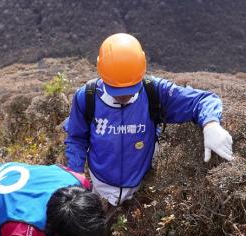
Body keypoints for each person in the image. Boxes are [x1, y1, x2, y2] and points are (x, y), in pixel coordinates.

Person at [64, 33, 234, 215]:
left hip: (143, 188)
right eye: (116, 90)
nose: (123, 96)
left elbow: (202, 100)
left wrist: (210, 124)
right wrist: (76, 176)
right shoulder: (87, 97)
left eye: (130, 89)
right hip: (100, 186)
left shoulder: (154, 92)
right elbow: (76, 138)